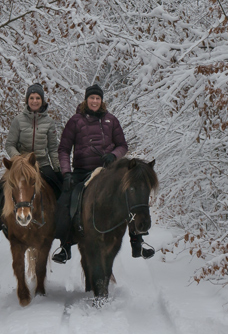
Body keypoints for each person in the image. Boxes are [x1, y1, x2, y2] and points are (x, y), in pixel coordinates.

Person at [51, 83, 155, 263]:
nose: (94, 101)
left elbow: (123, 145)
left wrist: (113, 155)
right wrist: (66, 172)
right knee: (67, 199)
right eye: (91, 98)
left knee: (130, 195)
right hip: (82, 170)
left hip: (108, 171)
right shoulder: (75, 121)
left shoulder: (111, 120)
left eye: (98, 98)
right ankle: (65, 245)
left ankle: (137, 240)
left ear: (101, 101)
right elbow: (64, 149)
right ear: (86, 100)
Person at [0, 83, 63, 244]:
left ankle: (63, 231)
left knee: (62, 189)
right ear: (27, 100)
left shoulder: (49, 122)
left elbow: (53, 148)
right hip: (20, 165)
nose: (34, 101)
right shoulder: (18, 120)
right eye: (31, 98)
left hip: (42, 164)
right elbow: (9, 144)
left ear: (42, 100)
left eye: (38, 98)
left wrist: (58, 168)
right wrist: (18, 159)